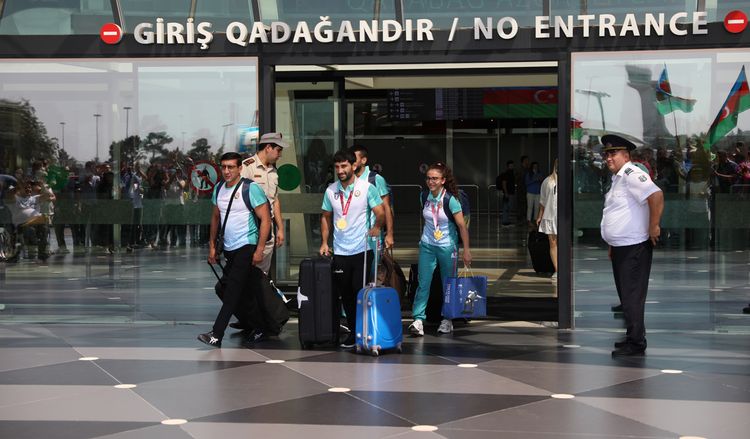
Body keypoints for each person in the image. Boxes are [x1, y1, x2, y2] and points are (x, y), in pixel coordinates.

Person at [197, 152, 271, 348]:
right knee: (237, 291)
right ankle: (259, 326)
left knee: (231, 291)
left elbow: (265, 219)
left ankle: (216, 334)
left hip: (247, 245)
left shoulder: (250, 188)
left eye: (231, 167)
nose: (227, 171)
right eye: (224, 167)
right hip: (229, 248)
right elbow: (215, 218)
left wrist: (260, 249)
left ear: (240, 168)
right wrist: (212, 246)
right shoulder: (219, 189)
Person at [600, 134, 664, 357]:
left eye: (613, 153)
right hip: (621, 246)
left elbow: (656, 195)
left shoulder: (631, 173)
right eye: (606, 154)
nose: (608, 158)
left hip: (634, 247)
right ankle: (632, 336)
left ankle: (636, 343)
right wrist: (611, 243)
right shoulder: (618, 178)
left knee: (632, 297)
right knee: (627, 296)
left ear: (626, 155)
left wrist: (654, 226)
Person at [319, 149, 385, 348]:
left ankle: (364, 331)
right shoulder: (331, 190)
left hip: (362, 249)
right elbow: (325, 216)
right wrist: (324, 242)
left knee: (359, 291)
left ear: (353, 166)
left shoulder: (367, 188)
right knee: (346, 294)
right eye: (337, 167)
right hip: (340, 251)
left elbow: (381, 212)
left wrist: (376, 227)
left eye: (344, 166)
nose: (340, 170)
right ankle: (353, 333)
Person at [409, 162, 472, 336]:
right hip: (428, 245)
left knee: (449, 284)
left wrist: (466, 250)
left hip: (447, 247)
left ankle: (448, 318)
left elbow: (462, 226)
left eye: (435, 179)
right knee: (423, 283)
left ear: (443, 180)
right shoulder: (424, 196)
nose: (431, 182)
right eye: (429, 178)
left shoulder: (450, 200)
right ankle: (418, 319)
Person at [240, 132, 287, 274]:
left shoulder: (273, 171)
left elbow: (275, 200)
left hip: (267, 230)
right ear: (268, 147)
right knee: (247, 273)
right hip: (250, 229)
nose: (280, 155)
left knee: (262, 275)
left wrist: (280, 228)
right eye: (278, 150)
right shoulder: (247, 167)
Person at [350, 144, 394, 249]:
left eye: (354, 159)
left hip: (372, 236)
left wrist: (389, 234)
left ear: (363, 160)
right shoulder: (348, 180)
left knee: (371, 265)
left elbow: (387, 208)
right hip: (352, 237)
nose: (351, 162)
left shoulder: (375, 179)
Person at [536, 159, 558, 281]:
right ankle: (557, 269)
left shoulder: (567, 180)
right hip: (550, 216)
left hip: (562, 216)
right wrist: (540, 216)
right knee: (553, 243)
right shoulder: (548, 181)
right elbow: (542, 201)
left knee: (564, 244)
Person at [496, 160, 516, 227]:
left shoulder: (511, 173)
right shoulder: (506, 174)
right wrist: (506, 192)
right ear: (508, 166)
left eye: (512, 165)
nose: (512, 167)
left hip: (510, 192)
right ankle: (505, 222)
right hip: (508, 193)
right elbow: (504, 183)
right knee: (506, 207)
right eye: (511, 166)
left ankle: (506, 221)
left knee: (508, 207)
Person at [525, 161, 544, 228]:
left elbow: (542, 181)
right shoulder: (529, 174)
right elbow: (526, 183)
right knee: (530, 207)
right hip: (530, 192)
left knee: (537, 208)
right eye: (534, 166)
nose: (535, 167)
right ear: (532, 166)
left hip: (538, 192)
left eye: (536, 166)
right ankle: (529, 220)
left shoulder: (540, 173)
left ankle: (535, 220)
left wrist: (539, 180)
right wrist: (534, 180)